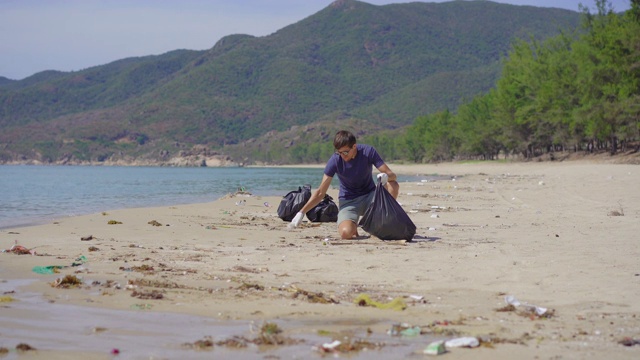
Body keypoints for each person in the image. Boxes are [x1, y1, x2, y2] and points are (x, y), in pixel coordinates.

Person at [289, 130, 399, 239]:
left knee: (393, 185)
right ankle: (353, 225)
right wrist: (301, 212)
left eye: (345, 152)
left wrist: (386, 177)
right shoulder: (335, 160)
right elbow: (321, 192)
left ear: (354, 147)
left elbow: (392, 176)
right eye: (339, 152)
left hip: (371, 197)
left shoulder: (368, 151)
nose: (342, 156)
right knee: (346, 234)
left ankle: (382, 222)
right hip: (349, 201)